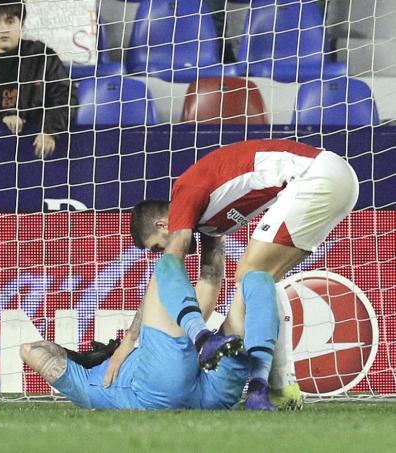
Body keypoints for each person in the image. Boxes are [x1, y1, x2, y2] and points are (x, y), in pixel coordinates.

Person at [126, 138, 359, 410]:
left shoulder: (185, 191)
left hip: (316, 176)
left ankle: (278, 387)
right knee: (263, 282)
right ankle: (283, 387)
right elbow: (210, 281)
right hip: (337, 180)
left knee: (251, 275)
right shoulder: (209, 226)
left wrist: (133, 338)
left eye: (156, 245)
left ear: (162, 224)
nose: (159, 252)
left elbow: (169, 269)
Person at [19, 244, 282, 411]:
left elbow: (31, 350)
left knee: (257, 280)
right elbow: (29, 350)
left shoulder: (91, 388)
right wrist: (78, 356)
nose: (106, 345)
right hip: (163, 389)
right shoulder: (85, 385)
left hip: (208, 395)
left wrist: (76, 356)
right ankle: (258, 384)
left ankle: (257, 388)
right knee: (167, 263)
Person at [0, 0, 75, 158]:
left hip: (35, 148)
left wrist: (49, 131)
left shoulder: (42, 57)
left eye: (10, 21)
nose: (4, 29)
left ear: (22, 23)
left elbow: (65, 97)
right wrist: (2, 118)